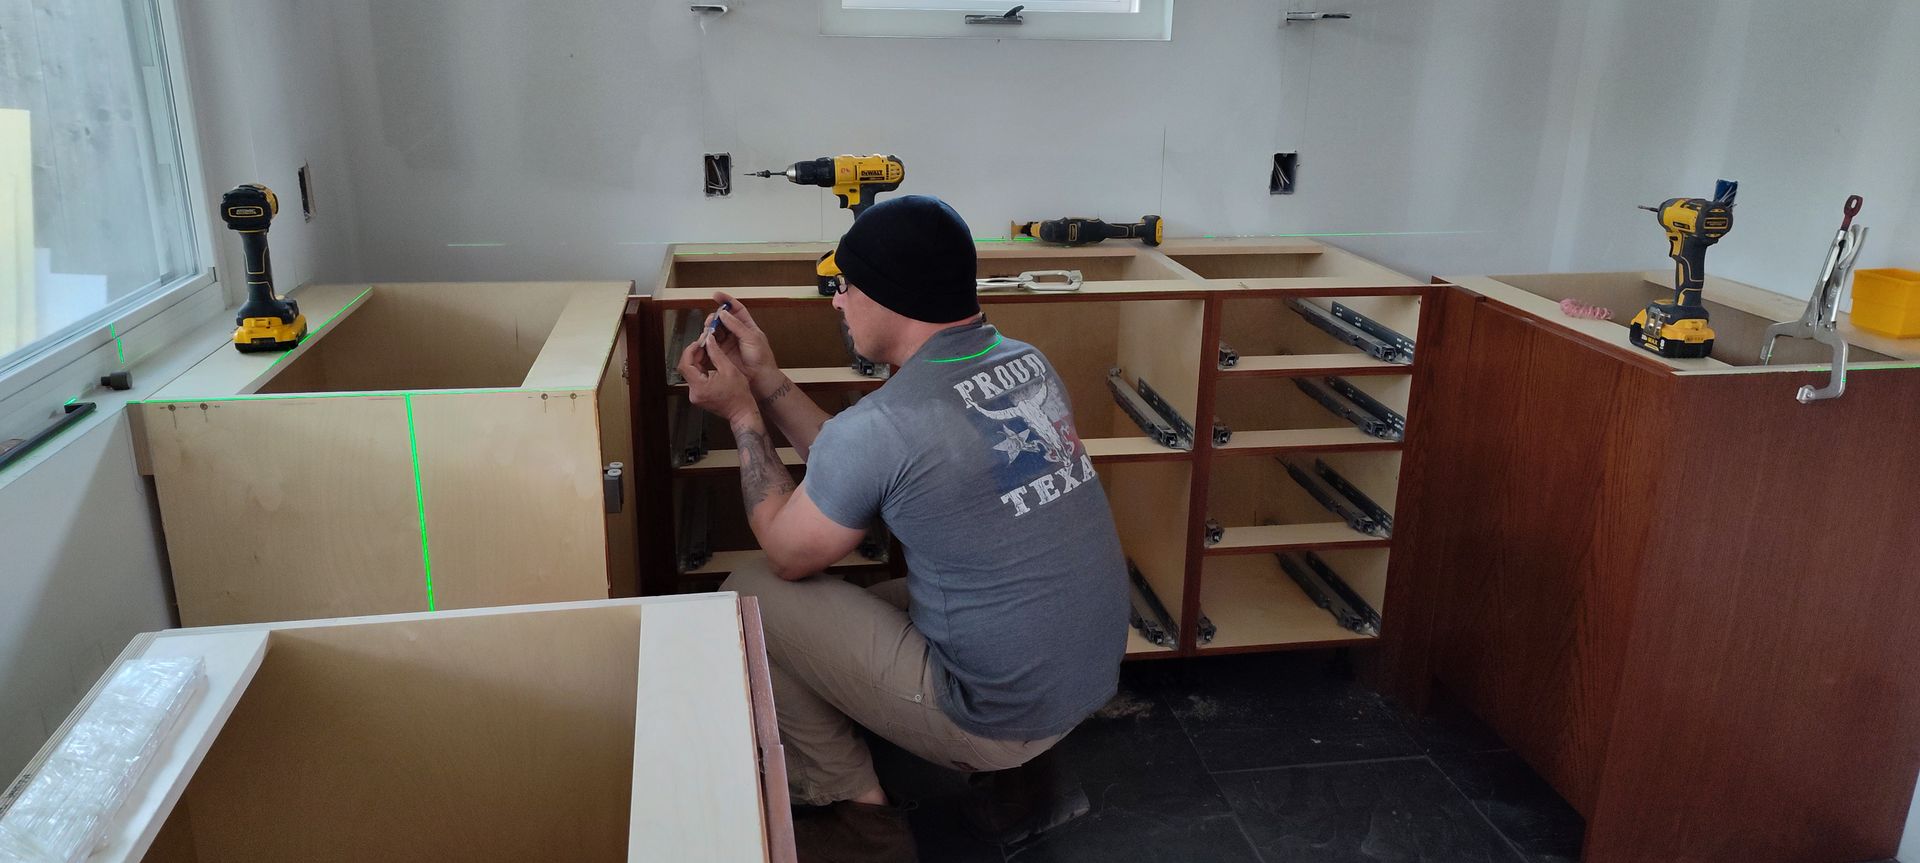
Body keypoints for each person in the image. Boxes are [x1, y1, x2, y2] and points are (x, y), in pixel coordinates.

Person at [678, 195, 1127, 862]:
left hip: (996, 711)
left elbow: (786, 547)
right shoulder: (1025, 361)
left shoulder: (890, 424)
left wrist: (742, 414)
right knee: (847, 605)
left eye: (845, 286)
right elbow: (856, 463)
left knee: (750, 598)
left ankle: (861, 821)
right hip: (1085, 672)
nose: (837, 301)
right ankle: (1032, 784)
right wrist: (768, 378)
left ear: (887, 295)